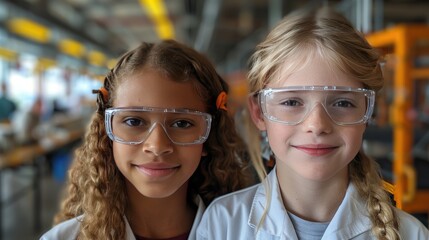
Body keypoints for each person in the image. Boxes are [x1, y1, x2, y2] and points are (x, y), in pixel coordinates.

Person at [197, 6, 429, 240]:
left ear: (368, 112)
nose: (317, 125)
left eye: (342, 103)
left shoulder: (412, 234)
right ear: (259, 112)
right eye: (291, 102)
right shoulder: (222, 224)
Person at [40, 39, 255, 240]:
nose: (157, 146)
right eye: (134, 121)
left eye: (182, 124)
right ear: (107, 131)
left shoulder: (249, 234)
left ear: (210, 136)